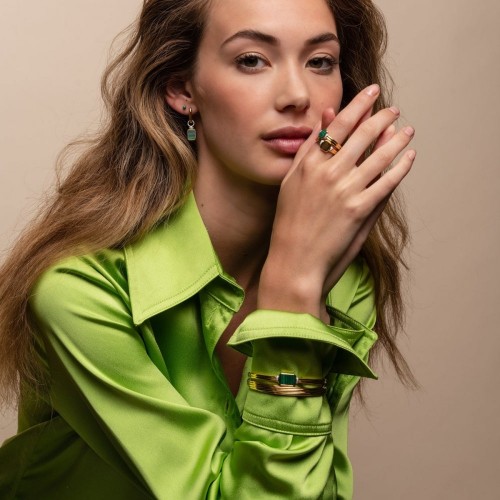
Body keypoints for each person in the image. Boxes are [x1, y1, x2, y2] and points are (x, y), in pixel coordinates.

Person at [0, 0, 416, 498]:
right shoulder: (79, 292)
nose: (297, 95)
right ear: (182, 89)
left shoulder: (343, 278)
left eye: (320, 61)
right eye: (252, 60)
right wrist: (292, 300)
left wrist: (301, 285)